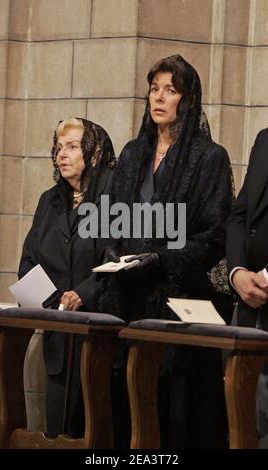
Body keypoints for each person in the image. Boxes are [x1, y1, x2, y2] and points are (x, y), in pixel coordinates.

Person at [99, 54, 234, 448]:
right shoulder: (131, 153)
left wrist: (161, 258)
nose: (159, 97)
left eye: (170, 90)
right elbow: (111, 219)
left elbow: (214, 235)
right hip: (126, 301)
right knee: (125, 415)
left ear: (187, 100)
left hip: (178, 301)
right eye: (154, 88)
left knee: (173, 418)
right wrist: (113, 252)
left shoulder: (209, 157)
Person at [18, 117, 116, 438]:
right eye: (59, 148)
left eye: (72, 147)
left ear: (95, 152)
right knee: (57, 435)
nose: (62, 155)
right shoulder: (49, 200)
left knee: (95, 436)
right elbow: (29, 262)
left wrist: (83, 294)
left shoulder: (114, 196)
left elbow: (118, 260)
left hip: (101, 340)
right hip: (59, 339)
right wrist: (54, 304)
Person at [226, 128, 268, 447]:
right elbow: (240, 215)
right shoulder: (264, 138)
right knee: (244, 427)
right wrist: (237, 271)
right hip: (249, 309)